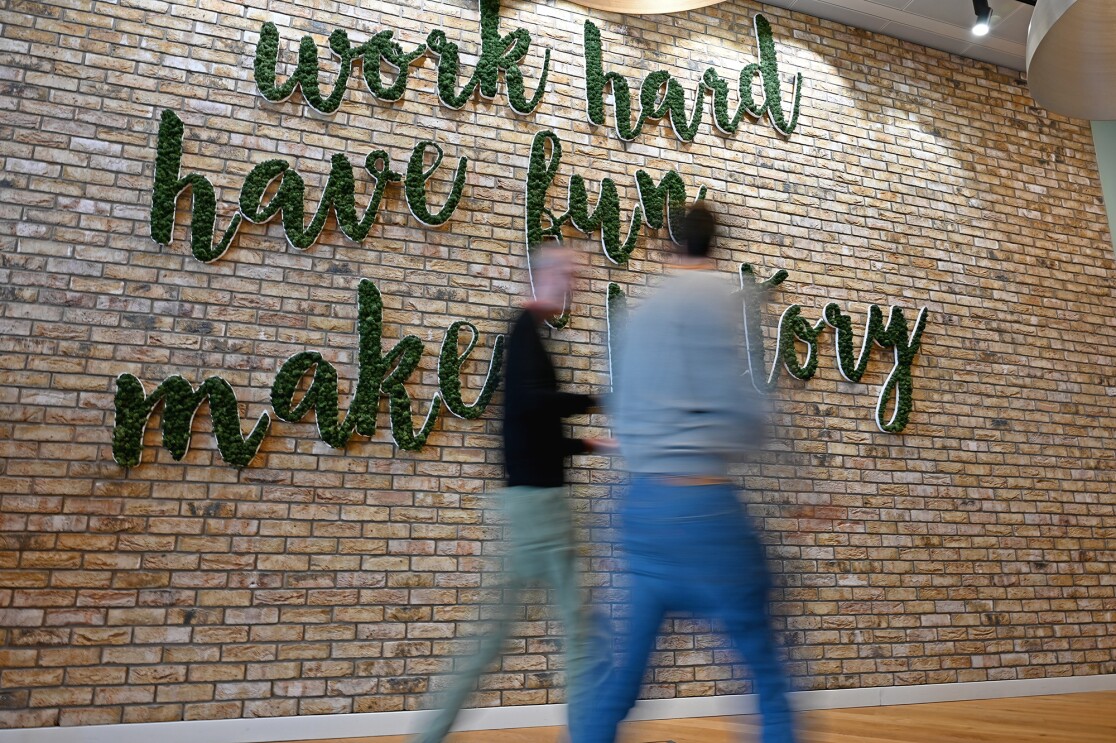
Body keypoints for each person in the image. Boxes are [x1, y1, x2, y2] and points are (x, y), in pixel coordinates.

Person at [582, 204, 796, 743]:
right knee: (766, 672)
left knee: (623, 678)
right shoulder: (717, 304)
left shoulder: (641, 311)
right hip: (702, 512)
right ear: (715, 244)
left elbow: (624, 410)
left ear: (669, 244)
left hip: (642, 509)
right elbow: (737, 413)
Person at [415, 246, 608, 743]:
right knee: (574, 632)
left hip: (532, 501)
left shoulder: (530, 335)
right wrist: (597, 401)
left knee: (508, 634)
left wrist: (586, 443)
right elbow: (533, 407)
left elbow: (529, 429)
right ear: (545, 276)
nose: (574, 285)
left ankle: (430, 734)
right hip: (539, 508)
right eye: (569, 274)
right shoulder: (525, 333)